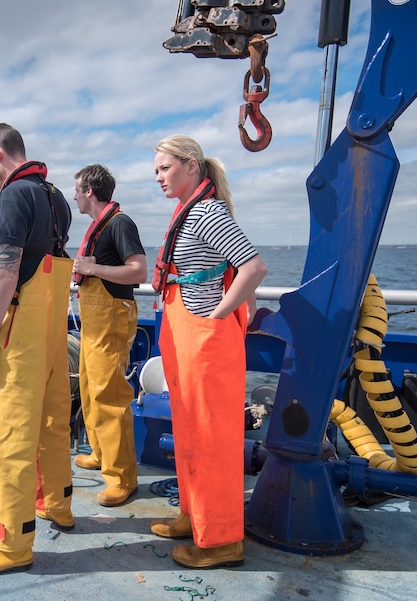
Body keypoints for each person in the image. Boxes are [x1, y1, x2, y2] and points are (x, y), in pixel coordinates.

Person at [0, 123, 73, 577]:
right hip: (52, 328)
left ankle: (11, 543)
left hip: (22, 332)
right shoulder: (56, 197)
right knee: (52, 420)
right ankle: (58, 504)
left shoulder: (12, 195)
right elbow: (36, 259)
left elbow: (8, 273)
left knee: (12, 433)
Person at [149, 135, 267, 569]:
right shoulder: (188, 211)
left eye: (164, 168)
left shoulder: (205, 212)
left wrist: (218, 315)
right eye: (156, 171)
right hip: (183, 334)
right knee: (188, 430)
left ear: (192, 167)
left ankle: (220, 540)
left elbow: (253, 266)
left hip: (203, 338)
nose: (158, 177)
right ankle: (193, 516)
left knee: (212, 437)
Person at [70, 164, 148, 507]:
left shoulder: (119, 223)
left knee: (110, 396)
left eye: (76, 190)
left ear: (89, 191)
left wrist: (91, 268)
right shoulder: (99, 227)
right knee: (89, 388)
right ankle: (101, 454)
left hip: (111, 320)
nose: (73, 196)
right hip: (94, 322)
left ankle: (122, 478)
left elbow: (138, 270)